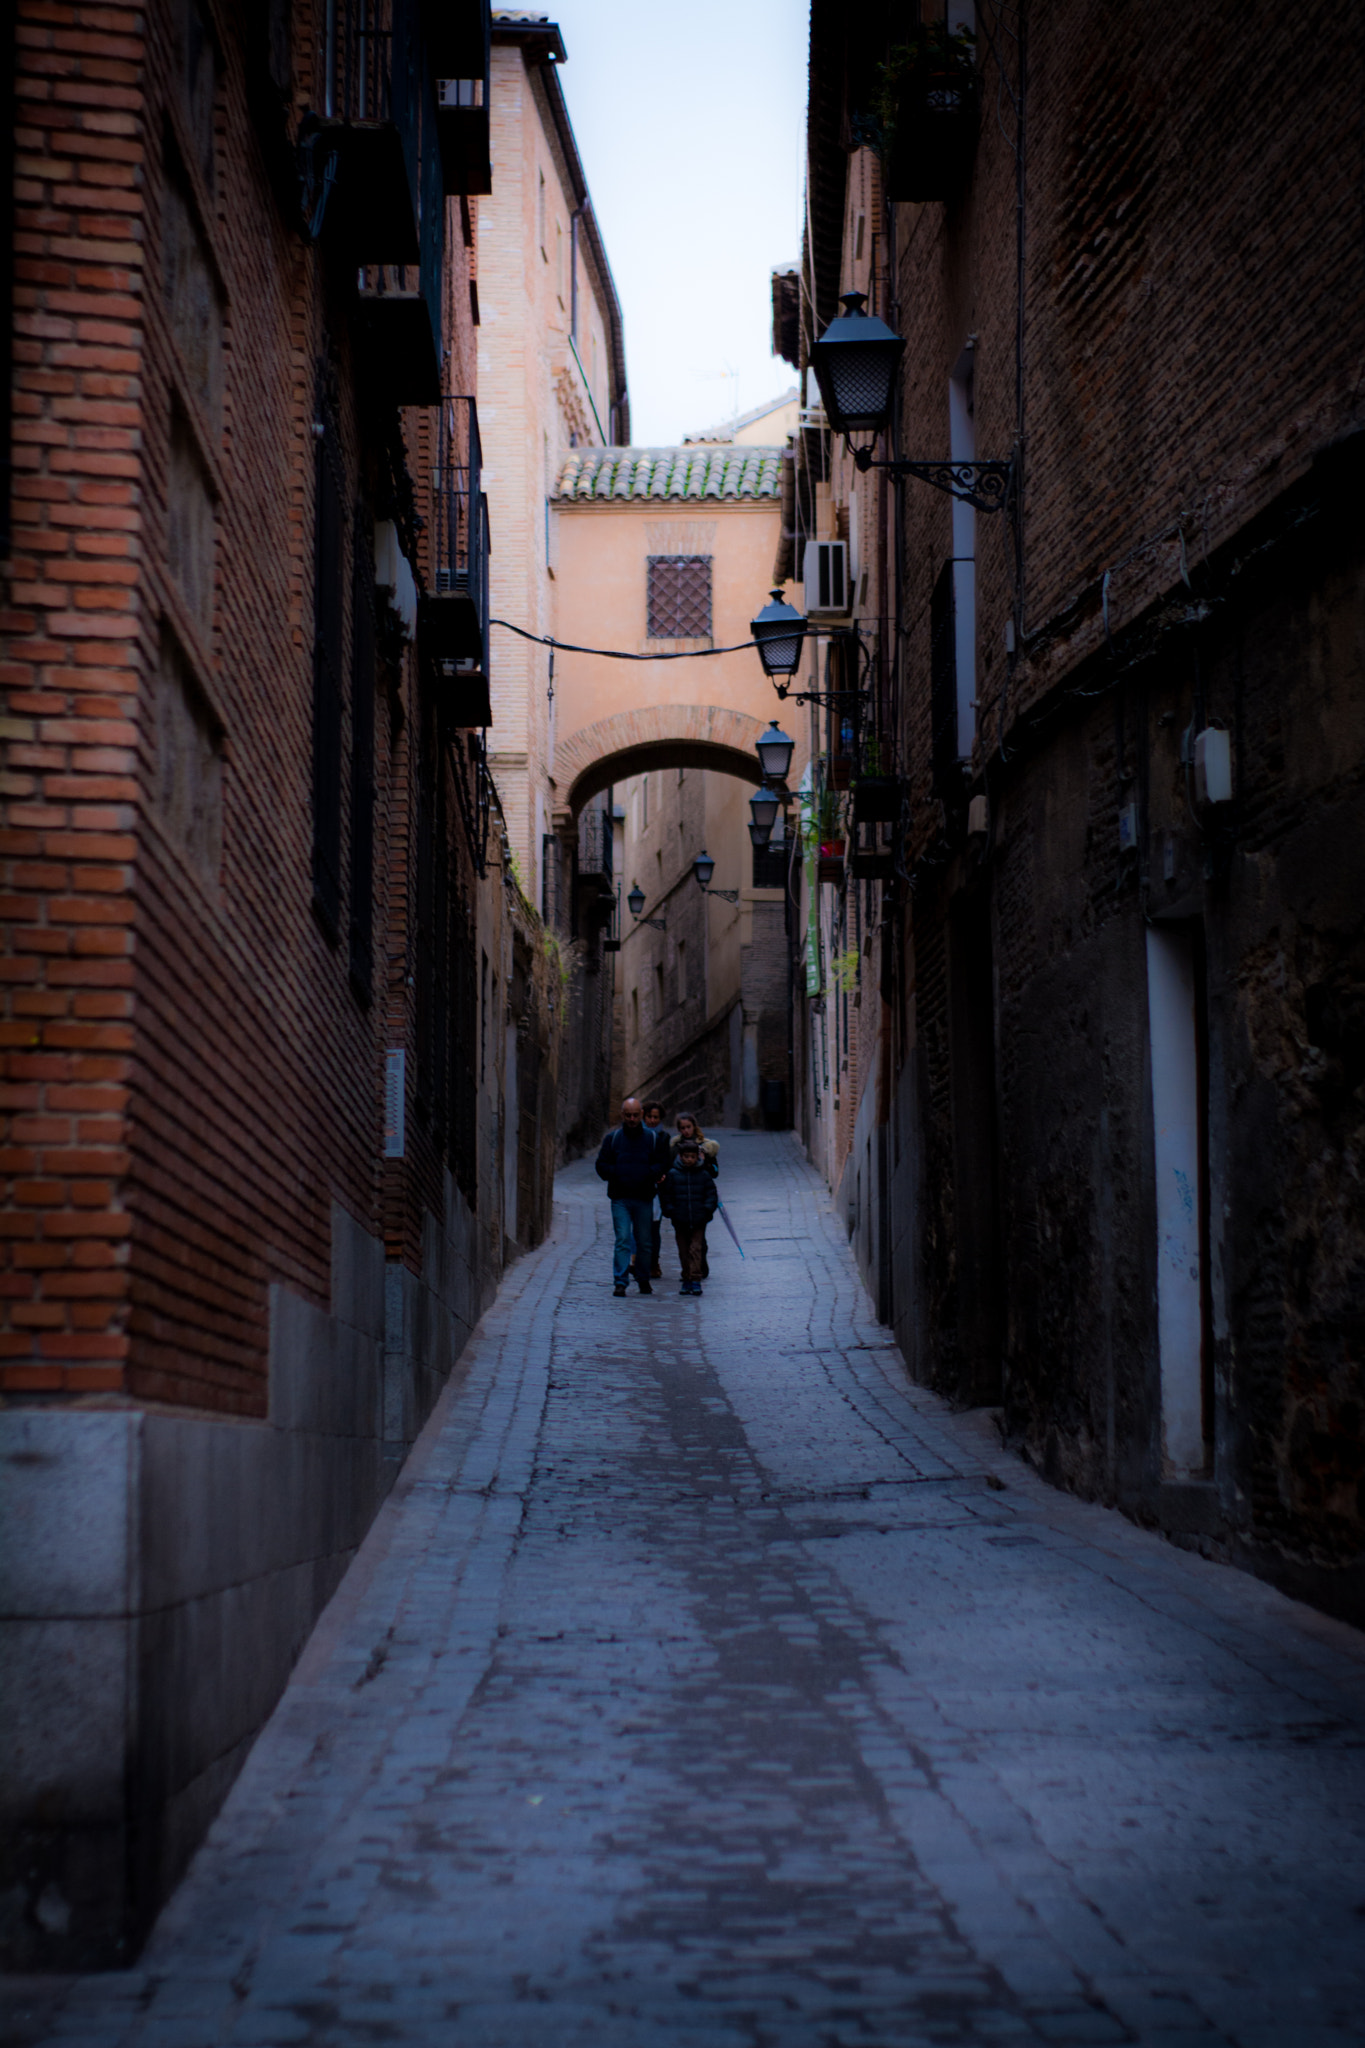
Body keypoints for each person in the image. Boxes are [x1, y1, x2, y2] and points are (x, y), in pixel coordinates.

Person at [595, 1097, 669, 1297]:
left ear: (641, 1115)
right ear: (622, 1115)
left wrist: (648, 1174)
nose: (632, 1119)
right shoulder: (613, 1139)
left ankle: (643, 1278)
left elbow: (662, 1163)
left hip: (644, 1197)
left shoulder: (652, 1139)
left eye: (635, 1115)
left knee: (644, 1241)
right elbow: (601, 1165)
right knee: (623, 1239)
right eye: (628, 1115)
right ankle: (620, 1281)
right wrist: (617, 1172)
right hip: (620, 1198)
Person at [660, 1137, 719, 1295]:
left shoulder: (703, 1174)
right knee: (683, 1250)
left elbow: (711, 1194)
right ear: (680, 1156)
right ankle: (686, 1277)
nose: (689, 1160)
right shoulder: (673, 1174)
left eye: (692, 1157)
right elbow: (666, 1195)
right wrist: (671, 1211)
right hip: (680, 1220)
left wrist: (706, 1211)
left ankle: (695, 1279)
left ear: (697, 1157)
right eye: (686, 1156)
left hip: (699, 1219)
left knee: (696, 1249)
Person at [670, 1113, 719, 1276]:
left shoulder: (705, 1147)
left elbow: (715, 1172)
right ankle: (688, 1272)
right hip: (682, 1202)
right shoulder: (675, 1148)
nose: (686, 1131)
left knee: (699, 1242)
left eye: (688, 1127)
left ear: (694, 1127)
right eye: (682, 1128)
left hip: (698, 1199)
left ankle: (699, 1268)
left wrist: (704, 1161)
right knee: (684, 1243)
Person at [642, 1100, 666, 1279]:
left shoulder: (664, 1138)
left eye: (655, 1117)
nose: (652, 1120)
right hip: (638, 1187)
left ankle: (653, 1262)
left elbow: (666, 1161)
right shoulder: (637, 1135)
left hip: (656, 1188)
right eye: (649, 1117)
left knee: (654, 1228)